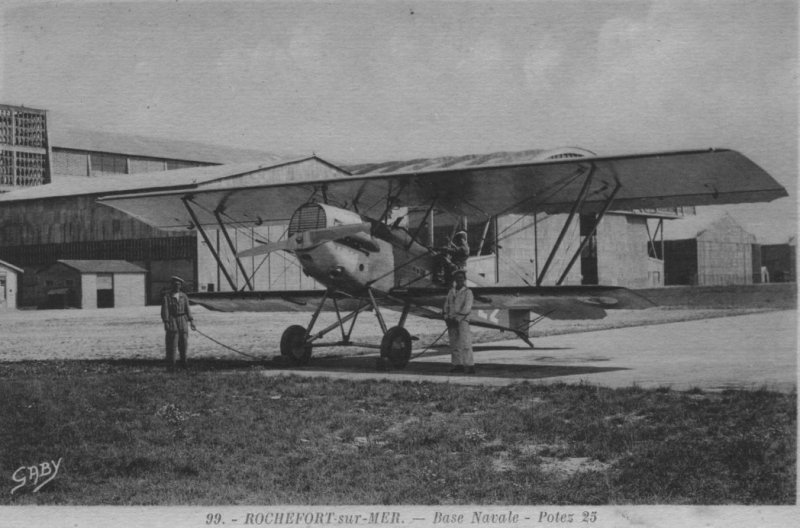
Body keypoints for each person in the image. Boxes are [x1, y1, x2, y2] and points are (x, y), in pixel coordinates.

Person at [442, 269, 475, 374]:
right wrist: (446, 317)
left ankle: (469, 365)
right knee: (454, 343)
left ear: (464, 279)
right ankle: (457, 364)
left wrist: (458, 318)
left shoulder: (468, 292)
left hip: (462, 320)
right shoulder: (451, 292)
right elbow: (446, 305)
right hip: (452, 320)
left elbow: (467, 307)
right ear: (454, 279)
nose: (459, 280)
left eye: (461, 278)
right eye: (457, 278)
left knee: (465, 343)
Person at [161, 275, 196, 370]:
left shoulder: (184, 296)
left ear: (181, 286)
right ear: (172, 285)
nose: (177, 286)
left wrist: (191, 321)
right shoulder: (167, 297)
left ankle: (184, 364)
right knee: (172, 343)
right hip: (172, 320)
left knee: (184, 343)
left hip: (183, 320)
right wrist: (166, 322)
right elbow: (165, 310)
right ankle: (171, 366)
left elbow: (187, 309)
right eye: (175, 284)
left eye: (179, 284)